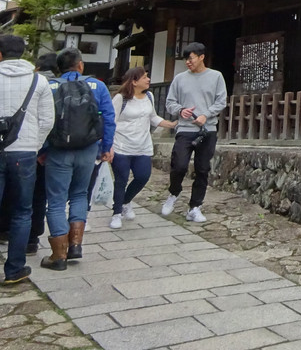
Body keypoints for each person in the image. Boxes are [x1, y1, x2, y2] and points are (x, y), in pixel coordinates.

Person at [41, 48, 115, 271]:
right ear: (80, 65)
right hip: (87, 149)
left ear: (59, 67)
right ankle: (75, 245)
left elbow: (44, 120)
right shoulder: (98, 86)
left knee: (55, 200)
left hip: (58, 150)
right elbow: (108, 118)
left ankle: (58, 255)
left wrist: (42, 150)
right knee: (80, 194)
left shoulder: (50, 86)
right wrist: (106, 147)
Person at [0, 35, 55, 285]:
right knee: (22, 211)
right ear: (23, 53)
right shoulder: (39, 80)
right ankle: (14, 269)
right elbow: (47, 121)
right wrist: (33, 146)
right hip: (24, 153)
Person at [163, 43, 226, 223]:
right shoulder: (179, 79)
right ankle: (173, 192)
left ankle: (195, 207)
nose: (187, 62)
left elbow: (221, 101)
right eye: (186, 59)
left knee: (202, 169)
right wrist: (180, 110)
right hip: (185, 128)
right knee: (179, 165)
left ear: (201, 57)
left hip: (207, 130)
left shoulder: (216, 77)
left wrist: (206, 115)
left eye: (190, 58)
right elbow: (170, 102)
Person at [109, 66, 175, 228]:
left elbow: (153, 117)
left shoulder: (149, 97)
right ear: (134, 81)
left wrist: (171, 124)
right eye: (145, 77)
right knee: (121, 180)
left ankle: (126, 201)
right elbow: (110, 121)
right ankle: (116, 213)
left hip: (142, 146)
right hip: (121, 146)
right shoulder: (120, 99)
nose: (148, 79)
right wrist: (108, 145)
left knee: (142, 176)